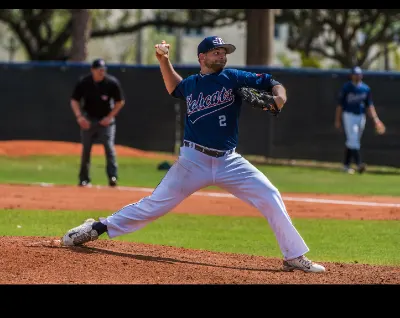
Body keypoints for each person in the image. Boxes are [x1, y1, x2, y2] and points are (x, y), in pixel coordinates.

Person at [60, 36, 326, 274]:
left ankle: (293, 256)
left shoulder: (232, 77)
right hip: (193, 161)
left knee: (269, 194)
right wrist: (163, 59)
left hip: (229, 161)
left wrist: (279, 99)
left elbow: (273, 83)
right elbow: (174, 87)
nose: (222, 55)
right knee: (155, 205)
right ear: (202, 57)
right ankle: (97, 228)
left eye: (224, 52)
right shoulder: (192, 84)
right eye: (216, 52)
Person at [70, 58, 126, 187]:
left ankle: (113, 177)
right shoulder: (84, 82)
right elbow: (74, 100)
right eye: (99, 70)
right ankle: (84, 179)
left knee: (109, 147)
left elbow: (120, 102)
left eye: (103, 70)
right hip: (88, 120)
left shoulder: (111, 83)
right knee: (86, 150)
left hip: (106, 121)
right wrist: (79, 117)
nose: (102, 72)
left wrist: (109, 117)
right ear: (93, 70)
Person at [334, 66, 386, 174]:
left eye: (358, 74)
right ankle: (359, 164)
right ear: (351, 75)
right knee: (353, 139)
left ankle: (346, 165)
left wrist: (376, 120)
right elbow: (340, 106)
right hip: (349, 115)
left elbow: (369, 106)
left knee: (352, 141)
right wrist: (338, 120)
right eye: (355, 74)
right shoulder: (346, 88)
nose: (357, 76)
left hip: (361, 116)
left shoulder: (365, 89)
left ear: (361, 75)